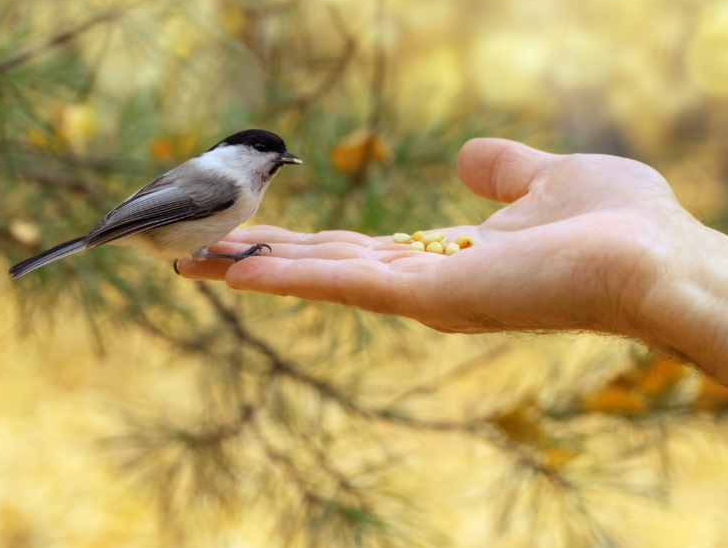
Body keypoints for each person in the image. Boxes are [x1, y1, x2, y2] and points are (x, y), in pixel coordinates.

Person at [177, 138, 728, 383]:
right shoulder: (223, 182)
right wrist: (660, 267)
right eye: (269, 157)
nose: (278, 165)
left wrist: (655, 263)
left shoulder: (231, 183)